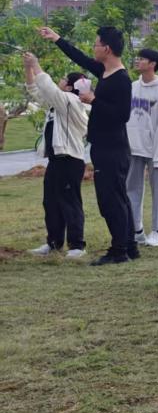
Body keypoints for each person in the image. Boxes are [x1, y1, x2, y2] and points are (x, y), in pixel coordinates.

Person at [40, 25, 138, 266]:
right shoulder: (104, 71)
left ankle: (119, 251)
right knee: (117, 198)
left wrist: (95, 100)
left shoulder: (121, 79)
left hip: (112, 148)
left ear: (107, 49)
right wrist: (57, 39)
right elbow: (80, 58)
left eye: (96, 44)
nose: (93, 49)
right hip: (103, 146)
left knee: (111, 201)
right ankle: (130, 246)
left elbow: (122, 115)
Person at [23, 53, 89, 259]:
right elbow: (36, 90)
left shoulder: (70, 101)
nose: (59, 80)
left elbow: (48, 87)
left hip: (70, 160)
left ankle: (77, 245)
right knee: (51, 202)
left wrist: (36, 63)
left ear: (69, 87)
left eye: (63, 79)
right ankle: (53, 243)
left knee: (70, 202)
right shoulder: (57, 103)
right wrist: (28, 68)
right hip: (56, 160)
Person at [126, 48, 158, 247]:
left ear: (153, 64)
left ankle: (157, 231)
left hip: (155, 150)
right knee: (131, 190)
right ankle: (136, 229)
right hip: (134, 147)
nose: (138, 61)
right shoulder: (132, 87)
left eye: (142, 59)